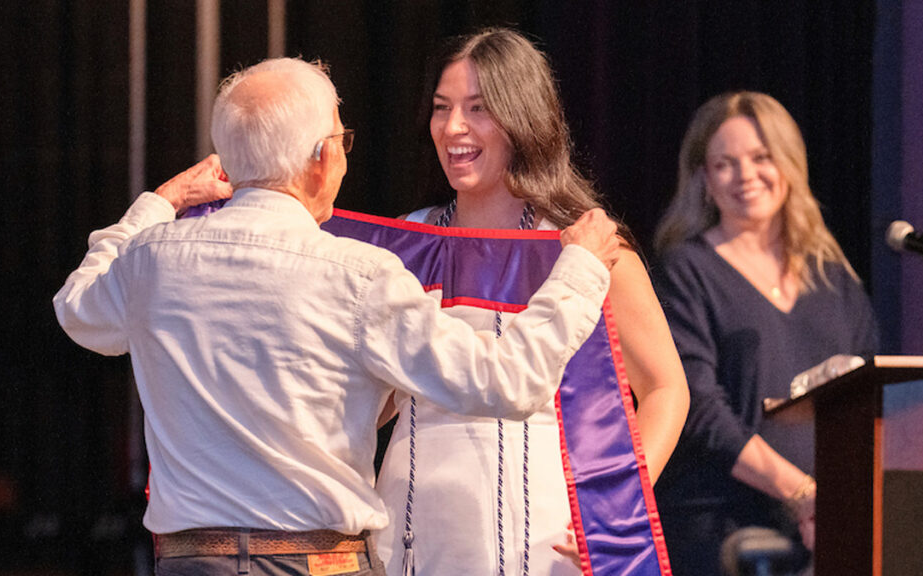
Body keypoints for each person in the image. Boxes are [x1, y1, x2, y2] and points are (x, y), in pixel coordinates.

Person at [52, 57, 625, 576]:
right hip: (316, 562)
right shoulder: (359, 274)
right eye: (341, 141)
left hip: (192, 563)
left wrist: (162, 201)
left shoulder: (152, 259)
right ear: (321, 159)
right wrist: (577, 272)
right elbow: (504, 381)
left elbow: (78, 309)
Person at [373, 28, 690, 575]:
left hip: (541, 532)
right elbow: (369, 398)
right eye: (441, 108)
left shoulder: (584, 247)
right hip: (410, 527)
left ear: (524, 117)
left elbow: (666, 388)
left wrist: (610, 507)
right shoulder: (407, 241)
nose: (453, 128)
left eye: (479, 108)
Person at [650, 91, 878, 575]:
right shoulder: (686, 270)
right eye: (725, 164)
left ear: (789, 165)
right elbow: (700, 410)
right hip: (723, 529)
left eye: (761, 157)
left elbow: (867, 399)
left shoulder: (833, 276)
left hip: (826, 522)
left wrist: (838, 505)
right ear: (704, 180)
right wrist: (801, 494)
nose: (745, 175)